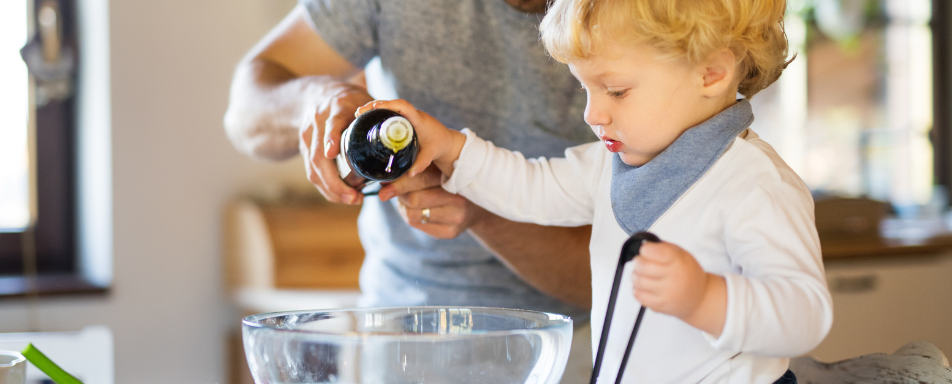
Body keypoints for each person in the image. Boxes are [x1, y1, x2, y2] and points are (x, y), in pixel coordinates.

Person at [359, 0, 834, 382]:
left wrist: (705, 297)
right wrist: (451, 147)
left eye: (616, 90)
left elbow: (806, 314)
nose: (592, 113)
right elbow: (531, 187)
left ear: (711, 73)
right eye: (586, 89)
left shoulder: (755, 185)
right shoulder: (609, 165)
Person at [223, 0, 596, 381]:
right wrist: (313, 101)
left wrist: (483, 209)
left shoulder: (626, 18)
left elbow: (603, 278)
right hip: (396, 335)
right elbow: (244, 114)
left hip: (558, 350)